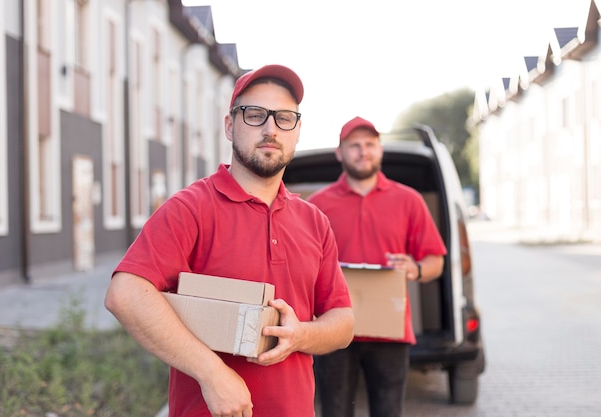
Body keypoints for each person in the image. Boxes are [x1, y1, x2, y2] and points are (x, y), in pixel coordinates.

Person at [104, 64, 354, 417]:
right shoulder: (191, 209)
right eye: (255, 115)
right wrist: (213, 374)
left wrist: (301, 336)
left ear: (298, 130)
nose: (270, 129)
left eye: (284, 118)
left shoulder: (314, 222)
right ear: (229, 125)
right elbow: (125, 294)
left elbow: (343, 322)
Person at [308, 116, 447, 417]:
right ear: (339, 153)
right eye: (354, 145)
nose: (363, 151)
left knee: (388, 411)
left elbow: (435, 261)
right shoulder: (318, 205)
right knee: (334, 411)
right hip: (333, 329)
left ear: (380, 149)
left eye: (370, 144)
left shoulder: (408, 200)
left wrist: (416, 269)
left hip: (390, 331)